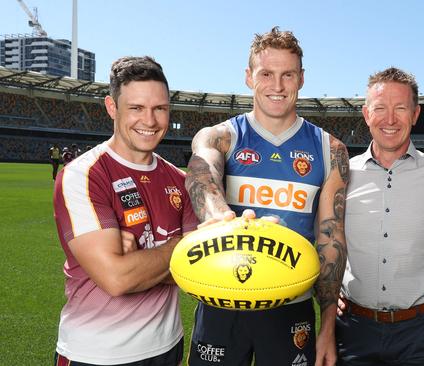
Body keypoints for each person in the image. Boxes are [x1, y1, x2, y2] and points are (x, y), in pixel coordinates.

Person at [185, 27, 349, 366]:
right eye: (266, 74)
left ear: (301, 79)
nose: (277, 86)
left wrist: (329, 323)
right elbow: (202, 175)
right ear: (248, 77)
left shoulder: (330, 150)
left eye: (287, 74)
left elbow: (330, 237)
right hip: (223, 301)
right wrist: (220, 219)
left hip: (291, 307)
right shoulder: (220, 137)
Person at [52, 56, 199, 365]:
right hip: (95, 354)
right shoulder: (83, 174)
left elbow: (196, 273)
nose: (150, 120)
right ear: (112, 107)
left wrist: (139, 261)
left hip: (166, 347)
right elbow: (116, 279)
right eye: (136, 108)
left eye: (159, 108)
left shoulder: (181, 180)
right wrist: (177, 249)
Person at [335, 67, 424, 366]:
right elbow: (321, 236)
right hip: (352, 327)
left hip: (418, 331)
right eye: (380, 108)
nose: (390, 119)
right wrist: (328, 291)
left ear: (415, 114)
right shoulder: (341, 175)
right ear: (367, 114)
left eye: (400, 108)